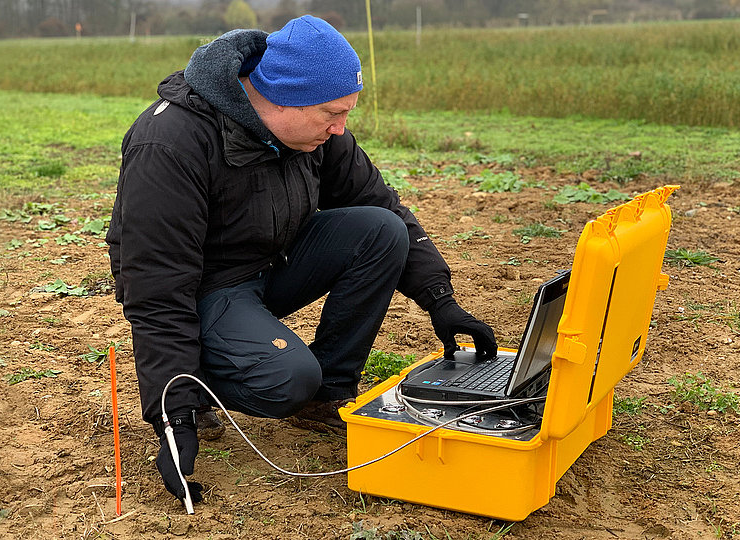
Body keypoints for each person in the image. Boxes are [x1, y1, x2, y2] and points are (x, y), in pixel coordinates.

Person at [106, 15, 497, 506]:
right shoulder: (171, 142)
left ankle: (327, 394)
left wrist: (441, 300)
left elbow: (379, 201)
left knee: (380, 230)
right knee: (286, 377)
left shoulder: (315, 133)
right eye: (332, 113)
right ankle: (204, 380)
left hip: (273, 259)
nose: (341, 128)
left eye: (348, 113)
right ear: (281, 97)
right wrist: (174, 414)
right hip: (205, 286)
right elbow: (157, 289)